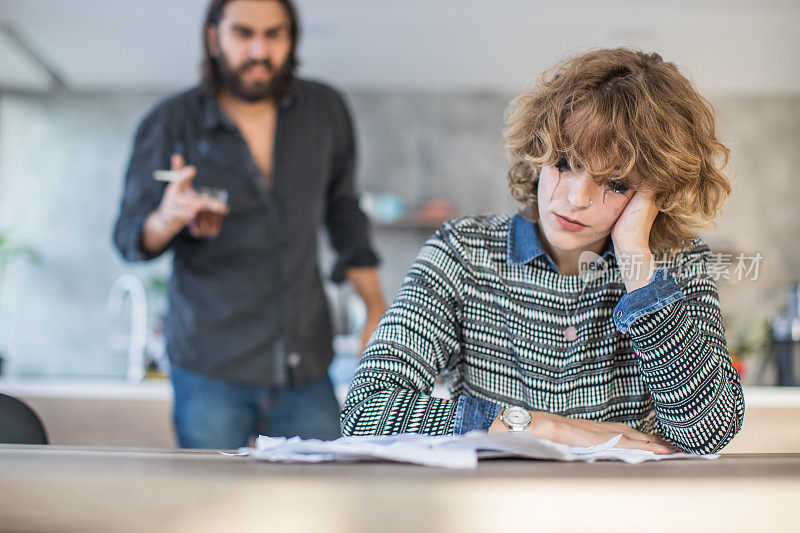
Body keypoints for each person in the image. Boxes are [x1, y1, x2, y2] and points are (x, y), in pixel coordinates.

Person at [341, 48, 744, 454]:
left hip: (624, 511)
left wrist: (637, 259)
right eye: (566, 163)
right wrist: (541, 427)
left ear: (655, 195)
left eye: (617, 183)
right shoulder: (463, 251)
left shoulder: (678, 263)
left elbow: (706, 434)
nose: (576, 198)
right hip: (491, 508)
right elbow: (364, 412)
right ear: (538, 152)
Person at [113, 0, 386, 448]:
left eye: (274, 34)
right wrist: (166, 217)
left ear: (291, 37)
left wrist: (375, 308)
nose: (260, 50)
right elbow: (129, 237)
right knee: (213, 511)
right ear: (213, 37)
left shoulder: (325, 110)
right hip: (210, 369)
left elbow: (345, 216)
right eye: (243, 34)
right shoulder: (170, 123)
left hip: (307, 367)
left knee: (318, 507)